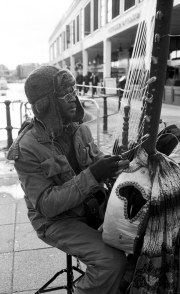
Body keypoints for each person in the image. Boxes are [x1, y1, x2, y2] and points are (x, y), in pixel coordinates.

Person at [7, 66, 129, 294]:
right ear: (48, 104)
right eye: (66, 94)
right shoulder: (26, 147)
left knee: (137, 235)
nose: (75, 97)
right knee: (111, 262)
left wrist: (124, 163)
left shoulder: (79, 129)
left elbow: (98, 160)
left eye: (73, 90)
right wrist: (94, 174)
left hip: (91, 207)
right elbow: (47, 205)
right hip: (56, 221)